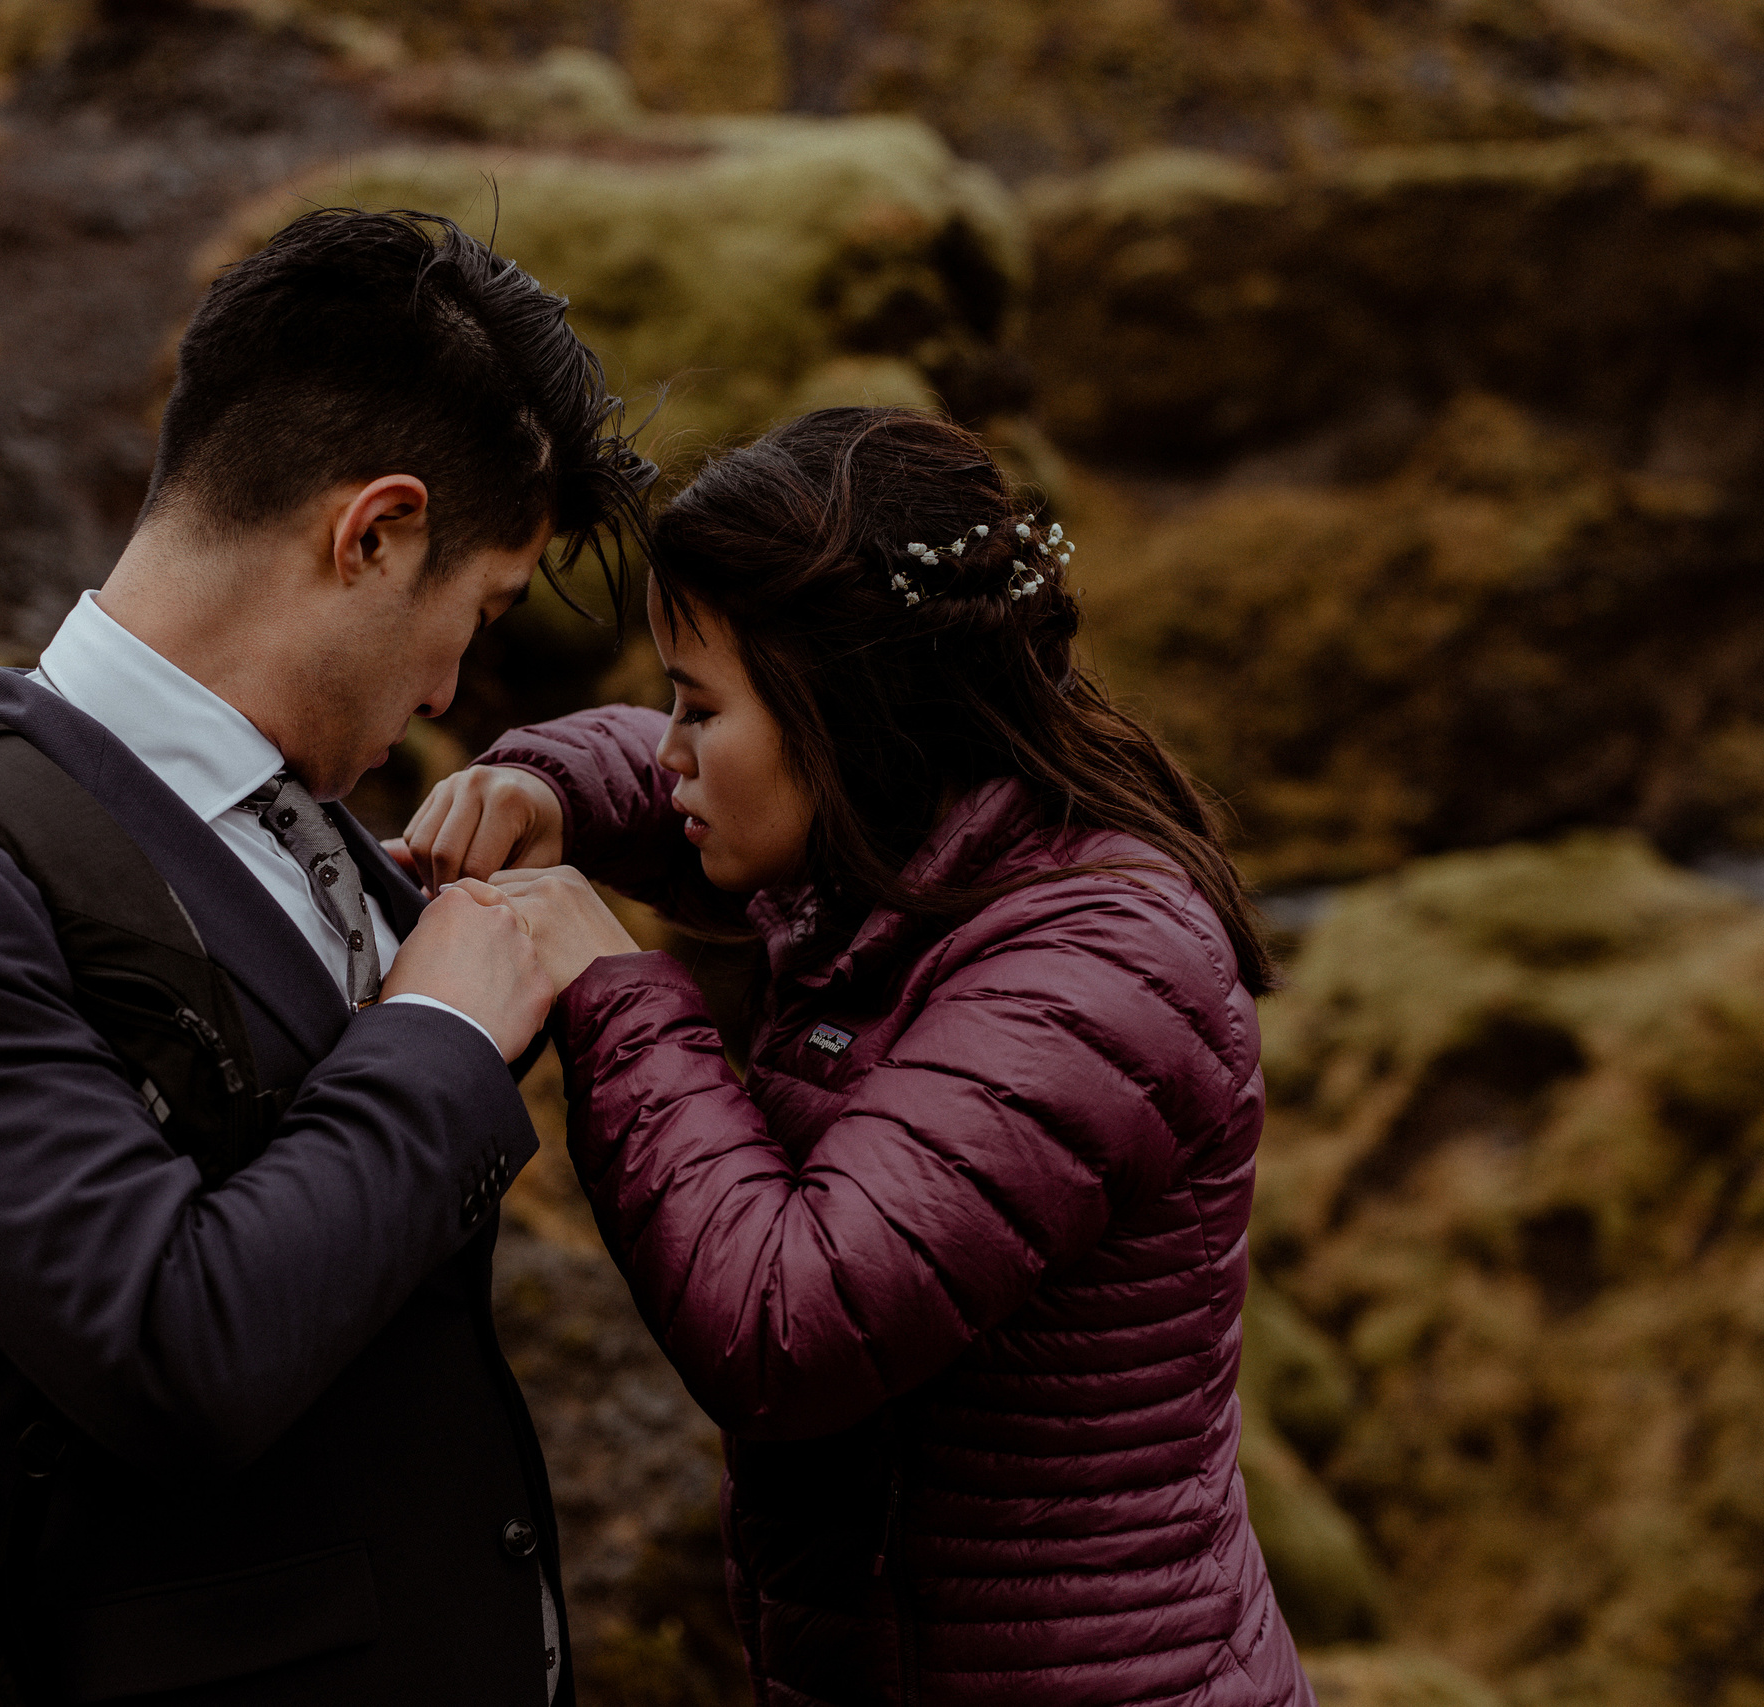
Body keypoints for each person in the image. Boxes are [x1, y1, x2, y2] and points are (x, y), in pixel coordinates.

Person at [0, 208, 652, 1705]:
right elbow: (172, 1348)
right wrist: (439, 1033)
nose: (452, 684)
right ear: (372, 533)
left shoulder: (330, 831)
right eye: (476, 614)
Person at [401, 407, 1313, 1707]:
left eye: (698, 707)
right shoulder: (902, 844)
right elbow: (660, 775)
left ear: (851, 715)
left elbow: (792, 1323)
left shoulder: (1103, 966)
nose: (669, 751)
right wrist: (544, 785)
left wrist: (612, 995)